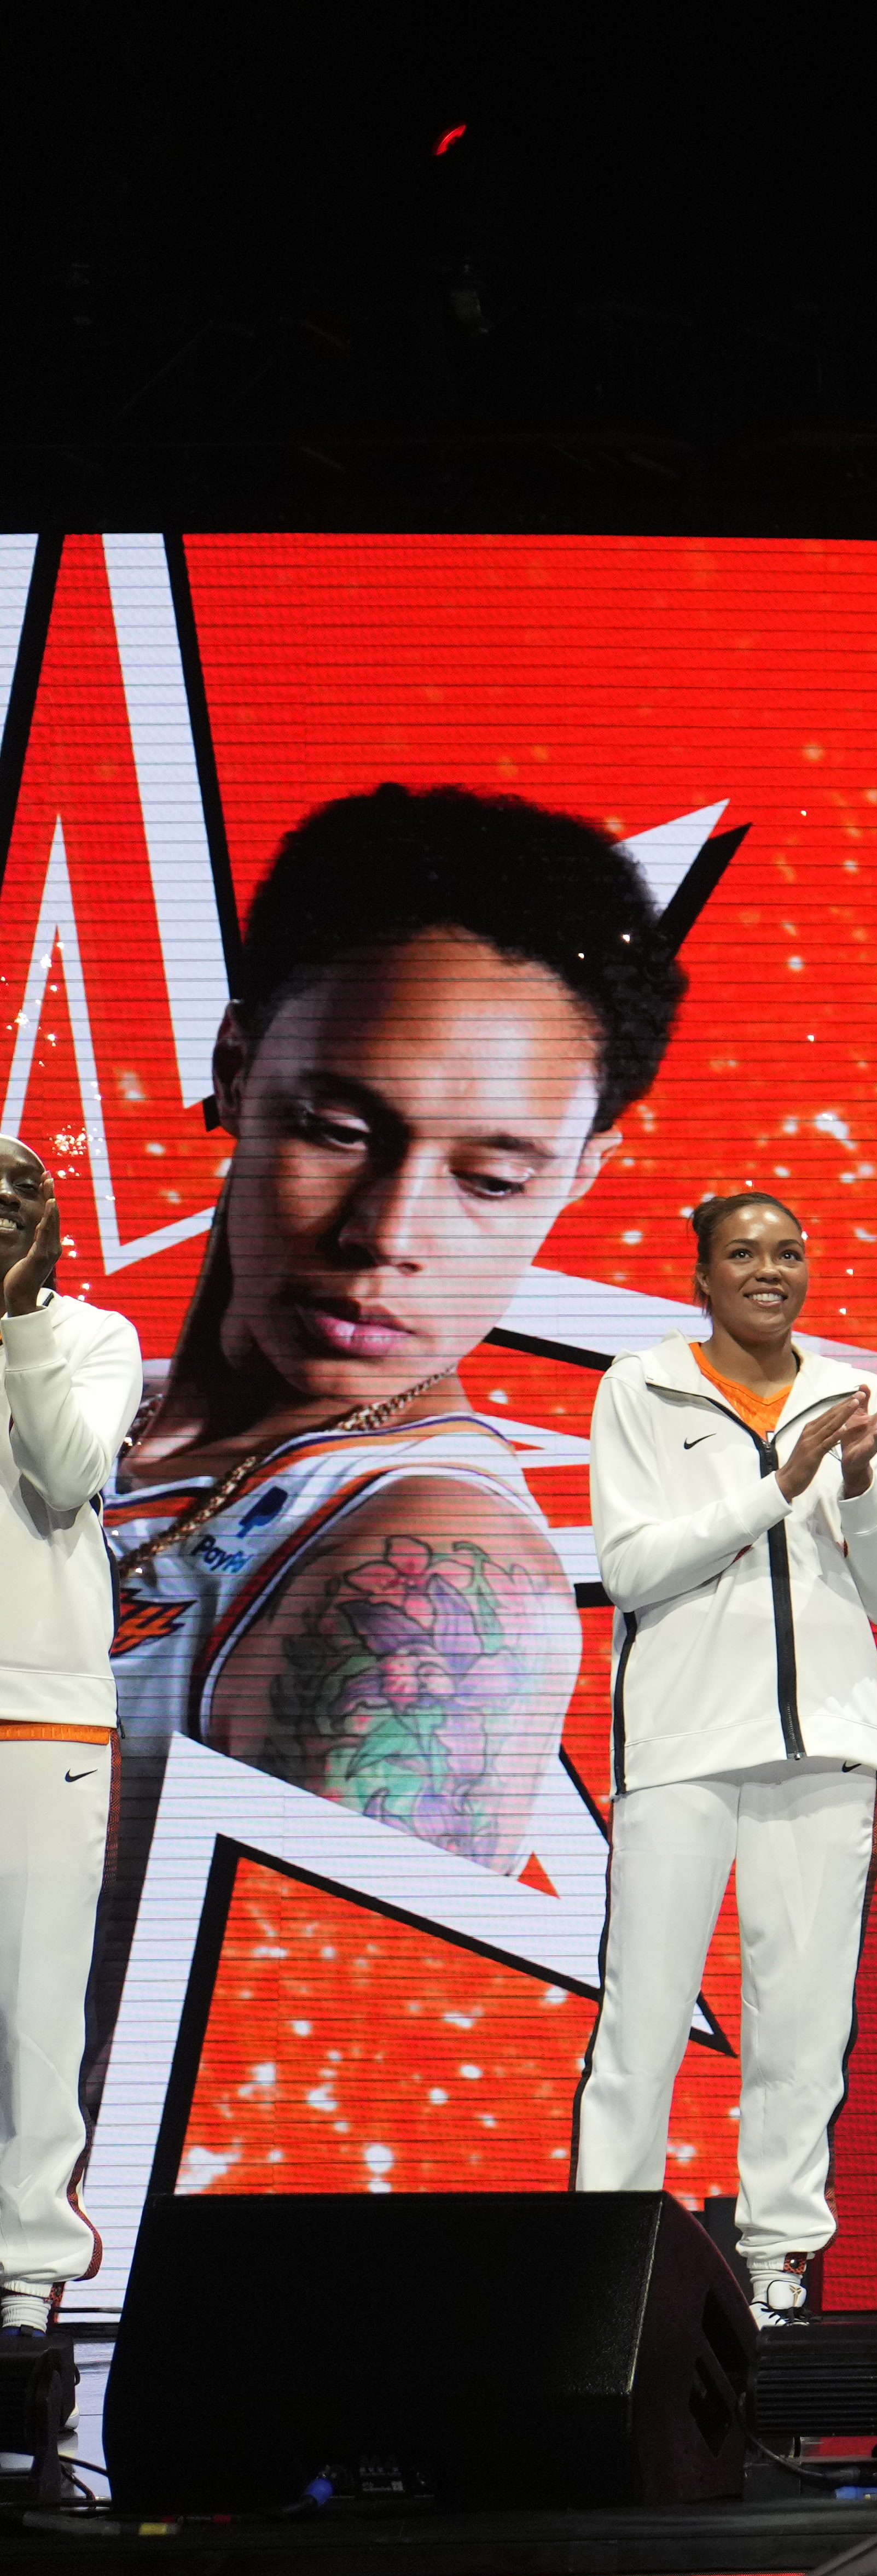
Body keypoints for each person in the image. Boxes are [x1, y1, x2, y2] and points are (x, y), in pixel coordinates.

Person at [92, 785, 684, 2078]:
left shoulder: (423, 1584)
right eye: (341, 1130)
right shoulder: (84, 1417)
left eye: (492, 1178)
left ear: (581, 1173)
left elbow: (288, 2102)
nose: (388, 1235)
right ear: (236, 1067)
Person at [569, 1194, 877, 2326]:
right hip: (681, 1743)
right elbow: (631, 1569)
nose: (771, 1270)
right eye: (744, 1253)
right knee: (644, 2019)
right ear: (703, 1278)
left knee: (802, 2024)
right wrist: (778, 1485)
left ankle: (780, 2260)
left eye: (789, 1252)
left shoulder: (854, 1398)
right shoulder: (642, 1388)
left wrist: (856, 1481)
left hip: (826, 1745)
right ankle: (608, 2265)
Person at [0, 1139, 141, 2337]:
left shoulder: (93, 1338)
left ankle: (26, 2274)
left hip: (40, 1707)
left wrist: (22, 1320)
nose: (4, 1203)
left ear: (53, 1215)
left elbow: (64, 1475)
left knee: (38, 2005)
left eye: (23, 1186)